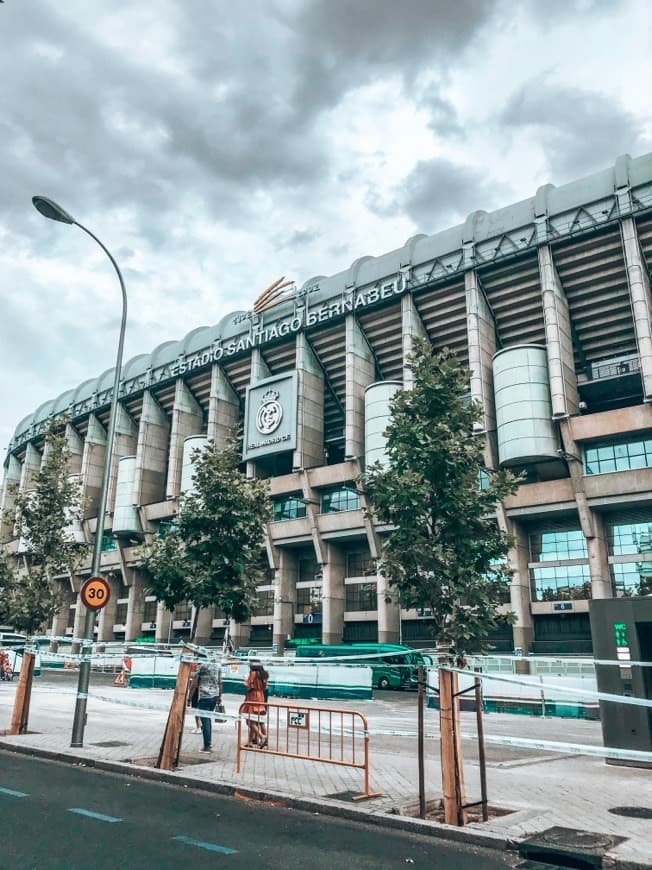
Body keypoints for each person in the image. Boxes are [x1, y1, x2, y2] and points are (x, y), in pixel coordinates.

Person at [194, 655, 221, 753]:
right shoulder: (216, 666)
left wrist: (189, 697)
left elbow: (195, 683)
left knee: (205, 721)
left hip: (204, 697)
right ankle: (208, 742)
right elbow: (220, 682)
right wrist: (220, 696)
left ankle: (207, 746)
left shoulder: (201, 667)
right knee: (207, 719)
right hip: (214, 696)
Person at [243, 660, 269, 748]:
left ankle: (262, 737)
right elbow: (265, 687)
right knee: (256, 720)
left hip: (253, 697)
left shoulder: (253, 673)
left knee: (250, 720)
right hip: (261, 697)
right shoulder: (263, 674)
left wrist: (245, 681)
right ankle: (250, 742)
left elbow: (248, 686)